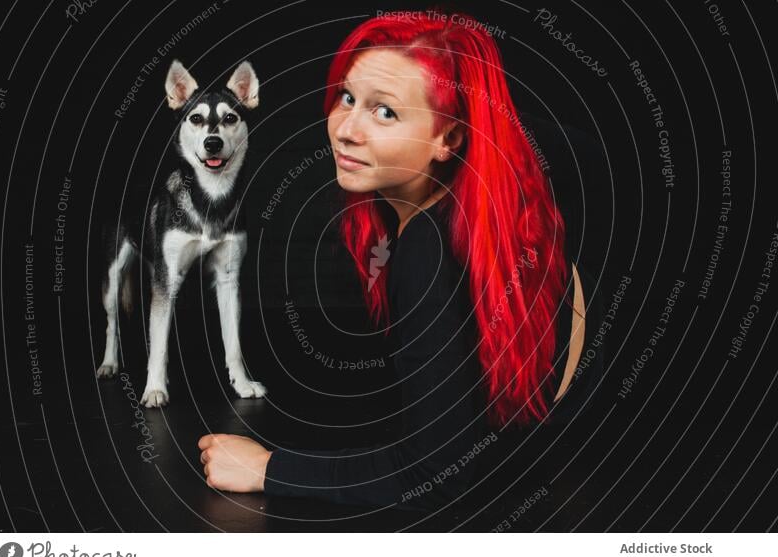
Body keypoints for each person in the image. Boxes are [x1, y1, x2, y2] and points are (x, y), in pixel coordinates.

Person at [198, 9, 604, 512]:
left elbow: (437, 477)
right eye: (348, 98)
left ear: (448, 139)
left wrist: (267, 468)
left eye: (384, 112)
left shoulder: (428, 250)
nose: (346, 129)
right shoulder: (495, 162)